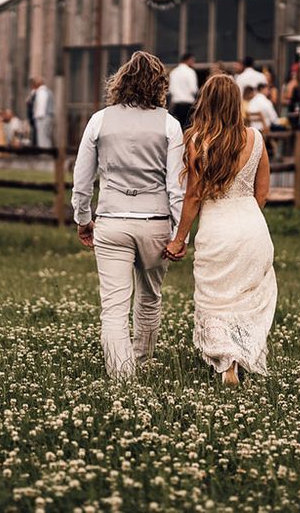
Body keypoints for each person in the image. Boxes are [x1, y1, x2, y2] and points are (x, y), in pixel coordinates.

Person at [71, 51, 185, 378]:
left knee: (114, 307)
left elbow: (82, 181)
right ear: (159, 84)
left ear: (120, 81)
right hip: (156, 224)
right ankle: (143, 362)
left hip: (111, 221)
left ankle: (122, 376)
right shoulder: (169, 124)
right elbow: (176, 187)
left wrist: (83, 219)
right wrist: (181, 236)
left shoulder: (99, 120)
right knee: (150, 298)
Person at [163, 75, 277, 386]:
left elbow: (194, 197)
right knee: (244, 298)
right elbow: (263, 194)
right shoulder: (256, 138)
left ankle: (227, 360)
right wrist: (247, 218)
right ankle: (238, 355)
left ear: (206, 102)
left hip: (217, 229)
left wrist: (179, 239)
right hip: (252, 227)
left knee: (216, 299)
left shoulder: (197, 141)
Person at [168, 52, 198, 128]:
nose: (193, 63)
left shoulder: (173, 72)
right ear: (188, 60)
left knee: (178, 128)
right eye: (193, 60)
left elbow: (171, 89)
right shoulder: (190, 72)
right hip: (188, 105)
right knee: (188, 128)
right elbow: (193, 89)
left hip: (177, 106)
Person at [30, 77, 55, 148]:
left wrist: (37, 118)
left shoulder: (42, 92)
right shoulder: (45, 91)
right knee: (45, 136)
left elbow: (41, 106)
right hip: (45, 117)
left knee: (43, 137)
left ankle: (44, 152)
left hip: (43, 117)